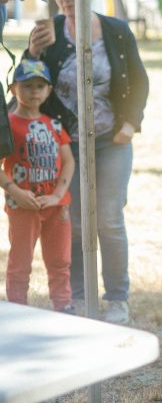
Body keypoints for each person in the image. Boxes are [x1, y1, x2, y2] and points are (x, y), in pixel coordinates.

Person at [27, 0, 148, 324]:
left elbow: (138, 81)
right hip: (67, 144)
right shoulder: (50, 32)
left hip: (111, 139)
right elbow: (28, 86)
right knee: (75, 222)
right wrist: (32, 54)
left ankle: (117, 298)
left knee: (109, 219)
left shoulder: (116, 30)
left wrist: (131, 123)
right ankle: (79, 296)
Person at [1, 59, 75, 311]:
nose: (34, 91)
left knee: (60, 261)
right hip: (23, 205)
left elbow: (68, 162)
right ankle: (17, 310)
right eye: (27, 85)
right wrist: (15, 191)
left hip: (56, 206)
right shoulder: (7, 125)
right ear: (13, 89)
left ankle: (63, 307)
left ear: (49, 90)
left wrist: (58, 195)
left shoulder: (54, 124)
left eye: (40, 86)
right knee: (20, 262)